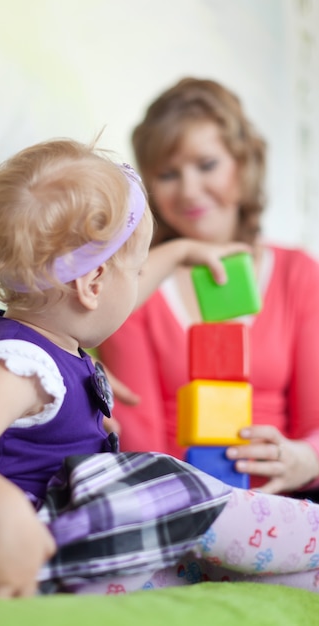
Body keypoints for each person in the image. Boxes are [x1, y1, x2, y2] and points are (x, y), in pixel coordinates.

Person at [0, 138, 319, 598]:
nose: (141, 282)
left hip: (96, 546)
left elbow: (114, 302)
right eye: (138, 269)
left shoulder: (54, 331)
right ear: (93, 283)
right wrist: (4, 509)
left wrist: (179, 253)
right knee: (161, 479)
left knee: (267, 576)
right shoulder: (20, 364)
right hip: (42, 543)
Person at [99, 77, 319, 498]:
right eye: (167, 174)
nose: (189, 190)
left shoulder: (299, 274)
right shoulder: (135, 288)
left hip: (292, 503)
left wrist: (303, 458)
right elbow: (141, 447)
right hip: (181, 508)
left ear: (244, 163)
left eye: (206, 165)